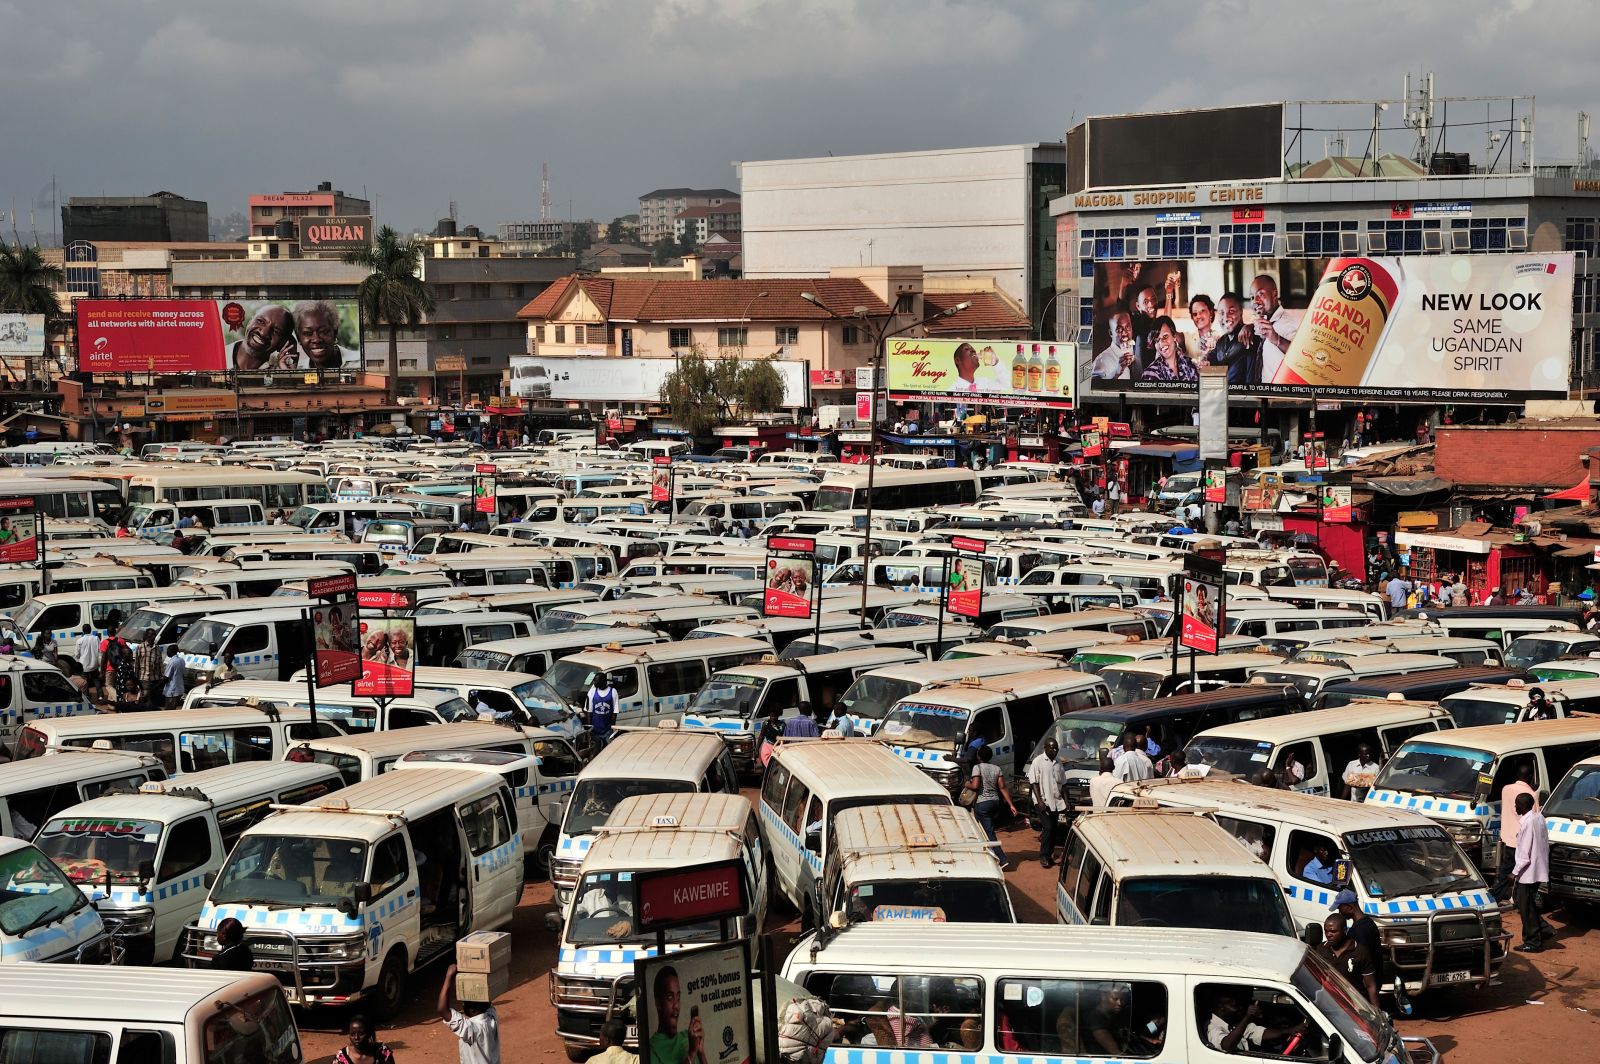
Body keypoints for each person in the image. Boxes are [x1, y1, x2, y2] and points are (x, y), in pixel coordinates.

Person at [1509, 791, 1556, 952]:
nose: (1515, 806)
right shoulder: (1539, 818)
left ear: (1523, 805)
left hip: (1528, 872)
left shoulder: (1528, 822)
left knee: (1525, 907)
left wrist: (1514, 872)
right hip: (1539, 868)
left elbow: (1525, 852)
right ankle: (1544, 929)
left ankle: (1533, 941)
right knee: (1527, 904)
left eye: (1516, 804)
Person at [965, 745, 1017, 870]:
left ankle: (1002, 859)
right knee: (984, 830)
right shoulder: (997, 768)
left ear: (978, 756)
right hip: (995, 803)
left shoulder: (977, 768)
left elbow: (976, 786)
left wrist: (967, 783)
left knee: (988, 832)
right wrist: (1011, 805)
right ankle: (986, 856)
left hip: (982, 803)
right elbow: (1003, 787)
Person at [1205, 991, 1306, 1055]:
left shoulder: (1232, 1022)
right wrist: (1247, 1017)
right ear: (1221, 1008)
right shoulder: (1212, 1027)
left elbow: (1261, 1033)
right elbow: (1227, 1045)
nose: (1238, 1008)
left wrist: (1289, 1030)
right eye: (1233, 1004)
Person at [439, 962, 501, 1064]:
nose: (462, 1006)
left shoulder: (472, 1030)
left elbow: (442, 1009)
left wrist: (448, 976)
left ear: (473, 1010)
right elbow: (487, 998)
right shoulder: (492, 1017)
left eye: (464, 1004)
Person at [1317, 913, 1380, 1009]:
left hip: (1355, 1007)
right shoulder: (1321, 950)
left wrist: (1376, 1010)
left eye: (1333, 931)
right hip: (1329, 1006)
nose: (1329, 935)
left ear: (1344, 930)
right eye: (1326, 931)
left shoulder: (1360, 952)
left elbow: (1370, 986)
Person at [1496, 764, 1540, 898]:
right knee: (1519, 872)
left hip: (1507, 837)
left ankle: (1499, 895)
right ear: (1531, 777)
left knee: (1506, 869)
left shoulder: (1506, 789)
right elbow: (1535, 817)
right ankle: (1498, 895)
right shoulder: (1531, 794)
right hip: (1522, 840)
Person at [649, 965, 707, 1064]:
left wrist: (701, 1052)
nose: (676, 1006)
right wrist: (692, 1053)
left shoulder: (687, 1037)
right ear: (658, 1003)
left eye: (678, 997)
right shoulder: (651, 1049)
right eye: (670, 997)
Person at [1248, 274, 1300, 380]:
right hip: (1262, 393)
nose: (1255, 301)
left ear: (1274, 294)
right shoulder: (1262, 323)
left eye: (1261, 294)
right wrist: (1247, 327)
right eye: (1252, 297)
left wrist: (1276, 339)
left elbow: (1301, 357)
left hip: (1281, 394)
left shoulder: (1289, 324)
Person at [1027, 739, 1067, 868]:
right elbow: (1034, 782)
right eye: (1052, 748)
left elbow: (1063, 783)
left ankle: (1049, 855)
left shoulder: (1058, 763)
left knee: (1054, 828)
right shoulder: (1038, 762)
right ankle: (1043, 855)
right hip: (1043, 801)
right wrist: (1040, 801)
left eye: (1056, 748)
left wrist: (1066, 802)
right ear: (1045, 748)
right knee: (1048, 827)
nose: (1054, 751)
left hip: (1055, 801)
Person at [231, 304, 297, 371]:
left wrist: (288, 376)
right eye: (260, 321)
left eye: (276, 331)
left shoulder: (280, 370)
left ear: (282, 343)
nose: (263, 333)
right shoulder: (221, 354)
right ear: (250, 321)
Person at [293, 300, 351, 371]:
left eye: (324, 331)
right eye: (308, 333)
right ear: (298, 337)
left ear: (335, 333)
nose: (316, 339)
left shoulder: (358, 362)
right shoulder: (297, 369)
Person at [1137, 317, 1198, 383]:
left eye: (1165, 336)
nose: (1161, 343)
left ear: (1174, 336)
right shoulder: (1151, 373)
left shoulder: (1190, 365)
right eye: (1157, 340)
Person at [332, 1015, 397, 1064]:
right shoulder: (341, 1057)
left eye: (361, 1034)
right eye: (352, 1034)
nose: (356, 1037)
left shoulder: (382, 1052)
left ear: (369, 1033)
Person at [1091, 311, 1136, 380]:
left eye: (1128, 327)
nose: (1125, 333)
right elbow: (1096, 386)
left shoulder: (1134, 352)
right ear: (1111, 333)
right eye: (1119, 329)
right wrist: (1116, 372)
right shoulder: (1102, 360)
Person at [585, 673, 619, 750]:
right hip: (595, 731)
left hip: (607, 730)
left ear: (603, 681)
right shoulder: (592, 692)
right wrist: (590, 729)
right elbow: (589, 711)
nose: (594, 682)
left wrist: (611, 727)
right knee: (595, 752)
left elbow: (615, 711)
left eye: (596, 680)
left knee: (609, 751)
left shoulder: (613, 692)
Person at [134, 630, 164, 708]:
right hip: (144, 679)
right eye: (151, 635)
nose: (153, 637)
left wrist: (161, 677)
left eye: (154, 635)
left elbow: (160, 664)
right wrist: (136, 678)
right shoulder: (140, 647)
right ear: (147, 636)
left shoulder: (157, 648)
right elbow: (136, 664)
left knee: (153, 700)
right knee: (145, 698)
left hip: (155, 679)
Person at [1187, 294, 1218, 362]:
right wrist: (1169, 296)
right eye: (1195, 314)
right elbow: (1167, 328)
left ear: (1211, 312)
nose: (1198, 316)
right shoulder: (1187, 339)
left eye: (1202, 311)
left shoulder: (1220, 340)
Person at [73, 624, 101, 690]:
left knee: (84, 682)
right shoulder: (96, 638)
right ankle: (100, 696)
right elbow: (100, 650)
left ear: (83, 630)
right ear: (90, 630)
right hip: (94, 665)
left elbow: (76, 654)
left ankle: (87, 696)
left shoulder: (79, 640)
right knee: (96, 681)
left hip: (83, 666)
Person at [161, 644, 185, 710]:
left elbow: (166, 677)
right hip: (179, 689)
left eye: (168, 650)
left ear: (171, 651)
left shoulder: (172, 662)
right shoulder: (182, 660)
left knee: (169, 710)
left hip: (172, 691)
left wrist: (157, 686)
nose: (167, 652)